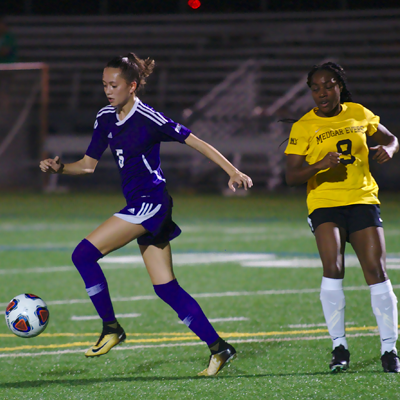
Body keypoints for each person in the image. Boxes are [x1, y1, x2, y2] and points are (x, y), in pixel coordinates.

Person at [40, 52, 252, 376]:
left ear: (132, 86)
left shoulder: (149, 118)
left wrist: (233, 170)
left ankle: (111, 328)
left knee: (83, 255)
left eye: (114, 85)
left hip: (151, 204)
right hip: (142, 206)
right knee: (166, 287)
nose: (108, 91)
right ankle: (219, 347)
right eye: (104, 85)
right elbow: (87, 165)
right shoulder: (105, 118)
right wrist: (60, 169)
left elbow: (196, 141)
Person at [284, 62, 399, 373]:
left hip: (362, 199)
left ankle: (389, 349)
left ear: (339, 86)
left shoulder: (359, 112)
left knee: (376, 270)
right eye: (316, 88)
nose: (322, 92)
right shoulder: (304, 126)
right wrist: (320, 165)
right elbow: (292, 176)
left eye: (329, 85)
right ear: (311, 92)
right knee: (333, 268)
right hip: (324, 203)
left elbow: (391, 138)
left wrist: (390, 148)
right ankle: (339, 346)